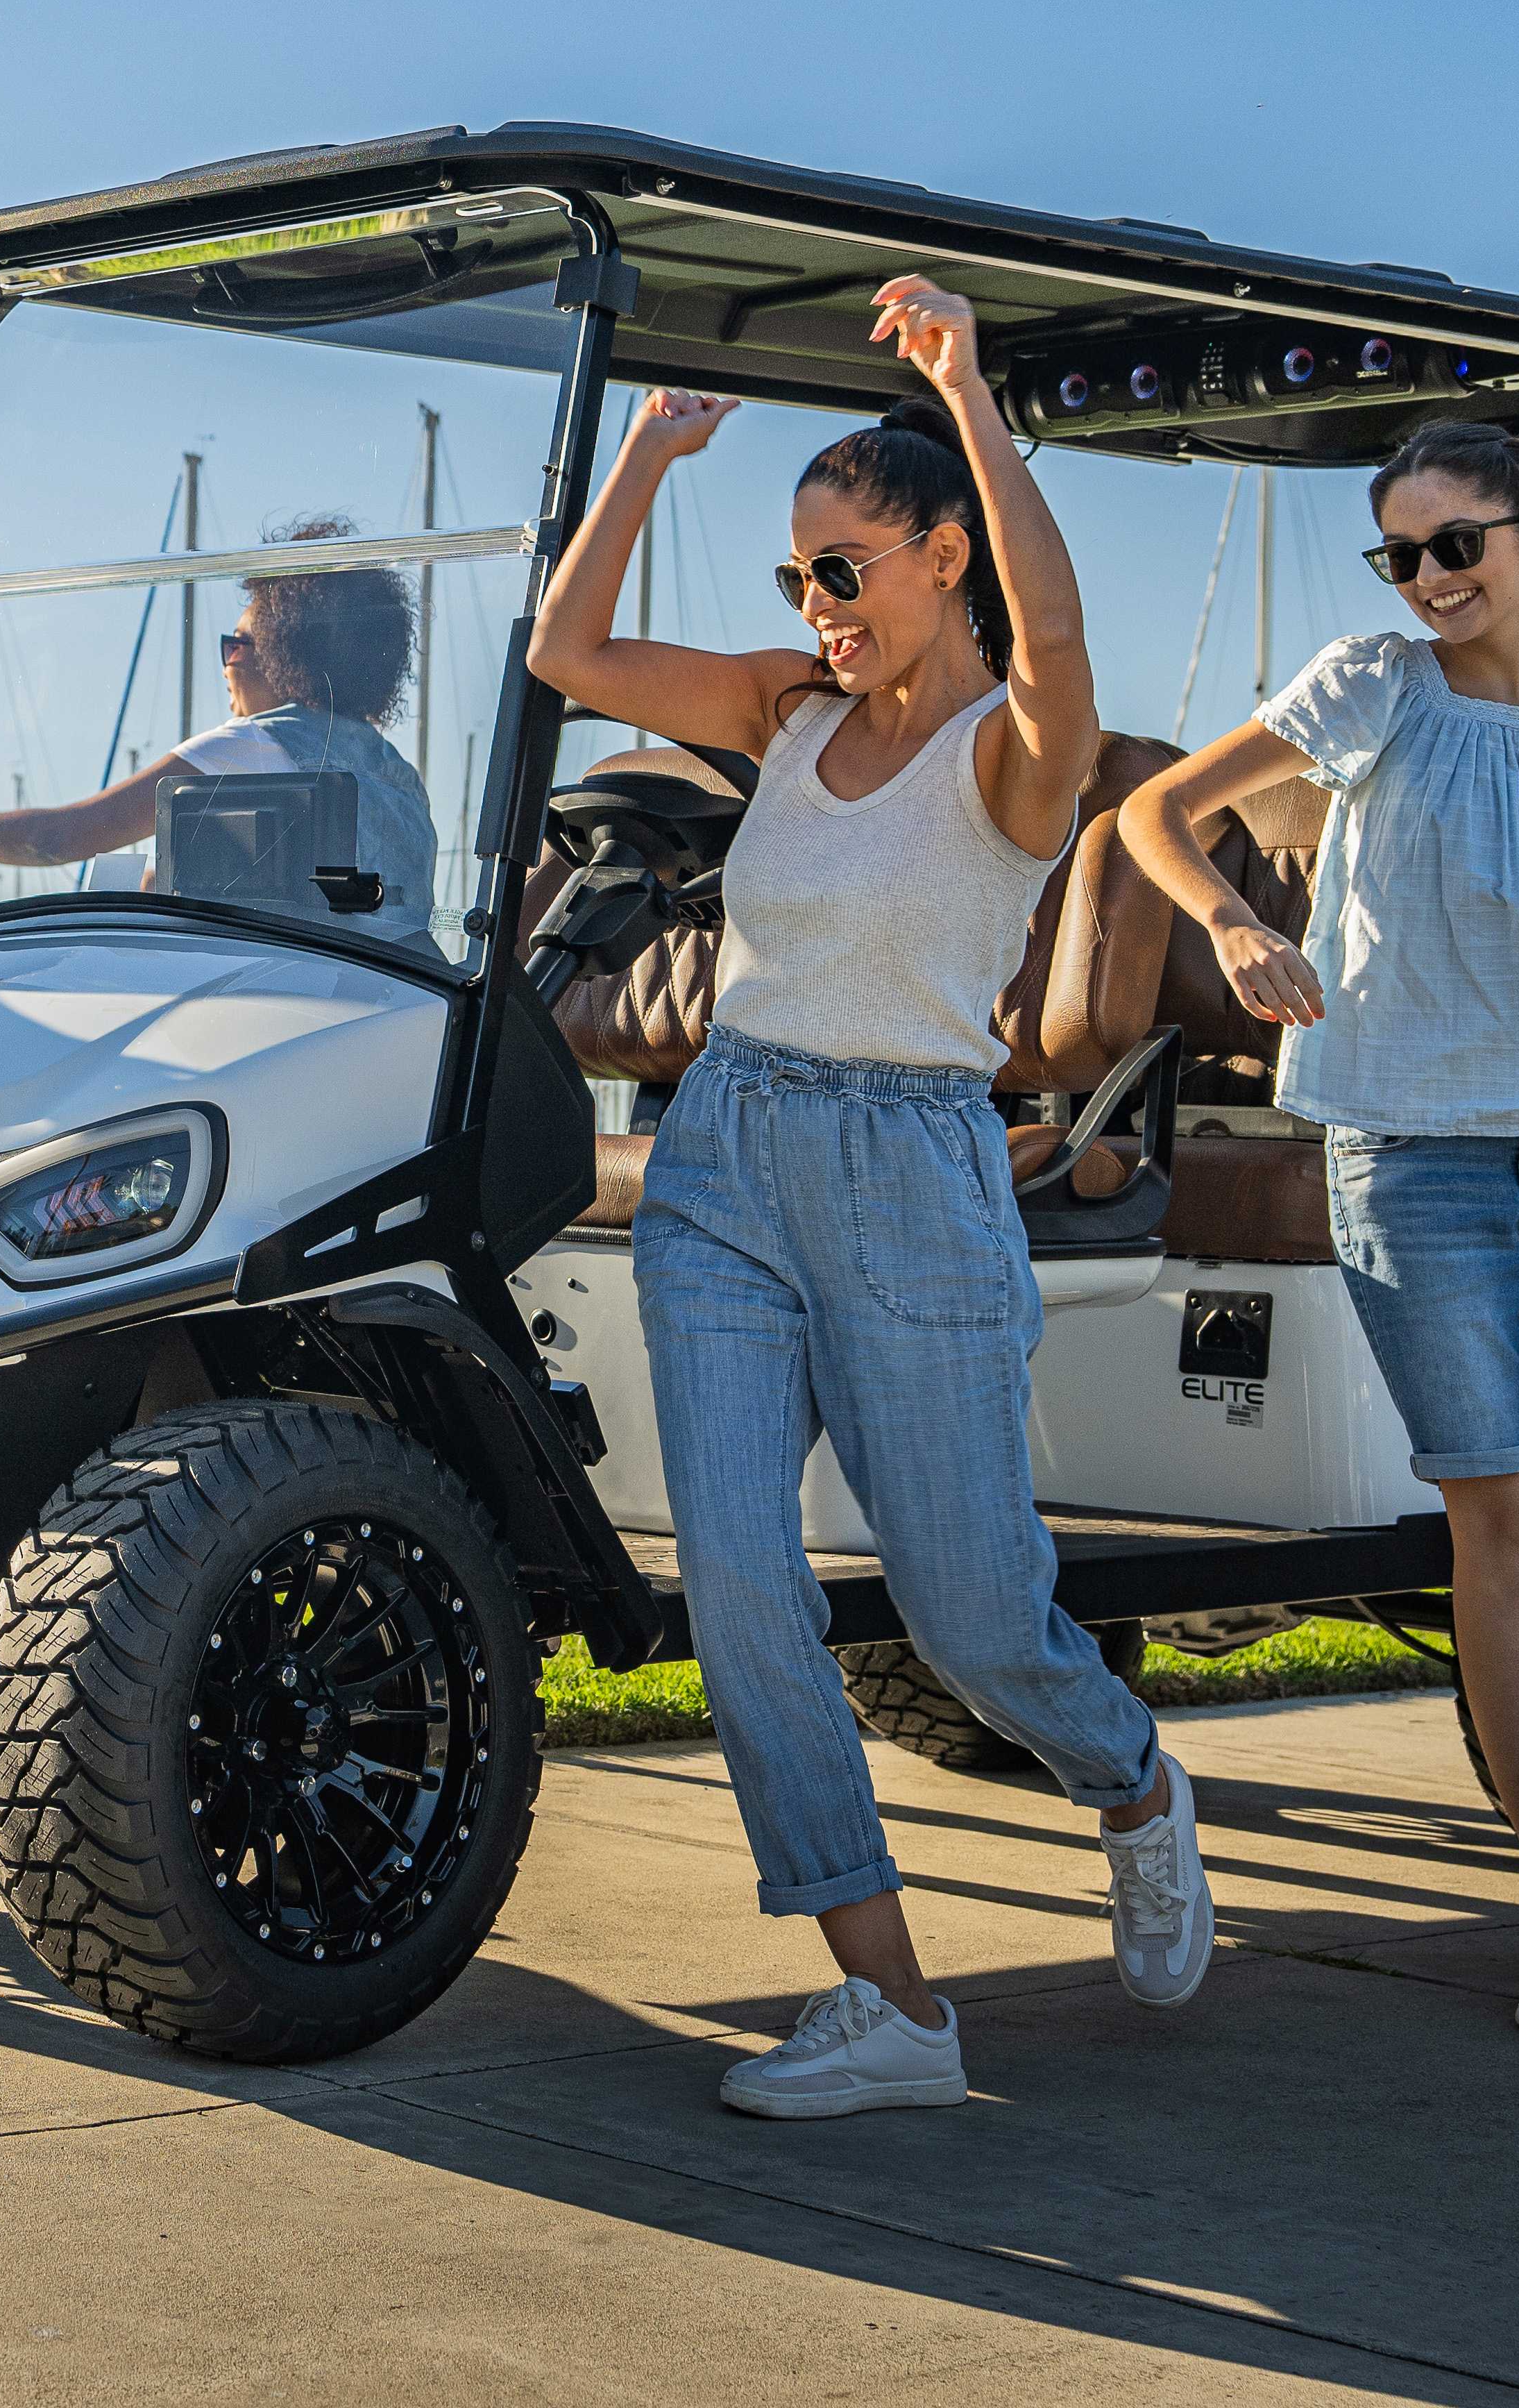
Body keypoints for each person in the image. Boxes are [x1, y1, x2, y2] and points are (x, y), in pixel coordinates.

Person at [526, 281, 1214, 2123]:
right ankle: (892, 2007)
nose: (815, 611)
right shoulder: (779, 711)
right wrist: (649, 459)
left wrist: (975, 396)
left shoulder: (1016, 750)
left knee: (974, 1618)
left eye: (843, 572)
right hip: (731, 1150)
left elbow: (1057, 626)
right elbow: (569, 654)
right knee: (743, 1590)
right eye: (795, 580)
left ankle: (1137, 1784)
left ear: (938, 558)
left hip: (912, 1171)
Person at [1119, 420, 1519, 2049]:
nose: (1429, 579)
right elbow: (1155, 817)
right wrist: (1237, 919)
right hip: (1413, 1158)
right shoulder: (1370, 683)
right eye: (1401, 553)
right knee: (1505, 1537)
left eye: (1457, 544)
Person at [0, 519, 442, 947]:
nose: (225, 660)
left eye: (237, 642)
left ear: (287, 651)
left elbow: (57, 839)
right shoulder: (400, 781)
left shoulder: (257, 746)